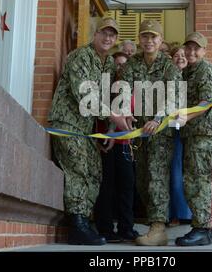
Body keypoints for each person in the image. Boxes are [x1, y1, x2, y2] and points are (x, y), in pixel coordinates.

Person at [48, 17, 134, 246]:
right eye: (103, 33)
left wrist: (113, 129)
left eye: (112, 35)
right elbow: (86, 97)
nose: (108, 38)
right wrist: (114, 117)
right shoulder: (80, 56)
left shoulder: (106, 64)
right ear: (94, 35)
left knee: (95, 172)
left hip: (85, 130)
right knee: (78, 170)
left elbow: (105, 99)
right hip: (67, 124)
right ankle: (76, 225)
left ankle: (83, 221)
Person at [121, 20, 182, 246]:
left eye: (153, 37)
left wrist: (158, 119)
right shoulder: (132, 65)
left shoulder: (169, 67)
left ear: (161, 40)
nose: (149, 41)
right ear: (140, 39)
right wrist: (126, 112)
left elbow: (175, 96)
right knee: (142, 179)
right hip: (139, 131)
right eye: (145, 36)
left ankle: (158, 227)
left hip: (161, 131)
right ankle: (155, 225)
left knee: (157, 177)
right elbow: (125, 91)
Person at [174, 32, 212, 246]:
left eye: (196, 48)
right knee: (191, 179)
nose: (192, 52)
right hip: (191, 133)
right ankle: (202, 228)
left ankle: (202, 228)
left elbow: (207, 101)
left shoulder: (206, 69)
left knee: (198, 180)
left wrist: (186, 117)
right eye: (189, 47)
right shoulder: (188, 71)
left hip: (201, 133)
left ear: (204, 51)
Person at [94, 52, 139, 243]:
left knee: (127, 187)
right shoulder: (104, 88)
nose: (120, 68)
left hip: (125, 144)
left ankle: (126, 228)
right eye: (117, 65)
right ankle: (105, 228)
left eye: (124, 65)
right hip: (106, 142)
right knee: (107, 186)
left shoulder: (131, 89)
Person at [168, 47, 192, 227]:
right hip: (170, 129)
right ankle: (175, 214)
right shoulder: (166, 77)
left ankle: (189, 213)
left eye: (183, 56)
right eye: (176, 56)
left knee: (189, 171)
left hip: (191, 130)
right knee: (173, 170)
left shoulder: (194, 76)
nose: (180, 58)